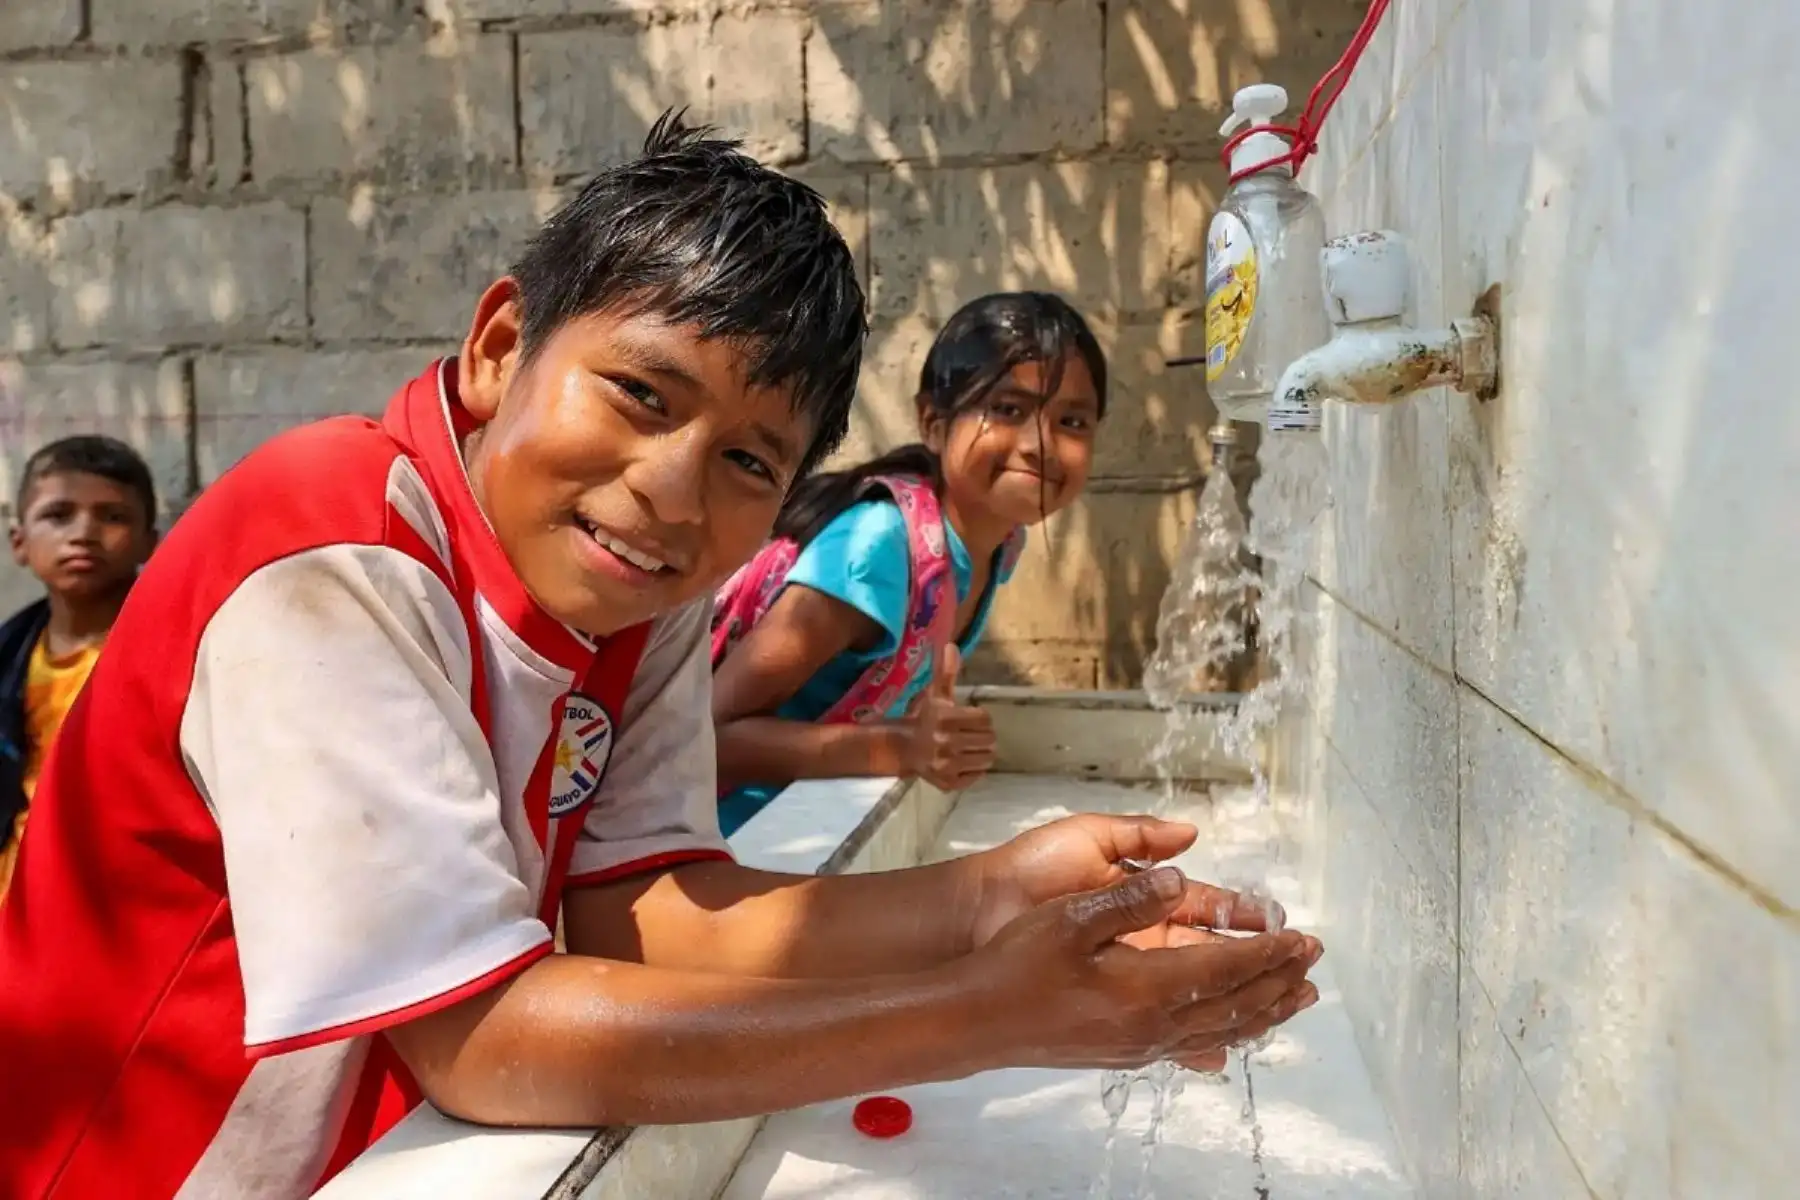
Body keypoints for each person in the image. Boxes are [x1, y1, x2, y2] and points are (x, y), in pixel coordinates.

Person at [0, 113, 1323, 1200]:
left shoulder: (641, 600)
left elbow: (640, 907)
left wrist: (990, 892)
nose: (673, 491)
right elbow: (484, 1040)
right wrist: (982, 1013)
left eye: (751, 461)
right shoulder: (334, 552)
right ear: (501, 347)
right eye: (640, 395)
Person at [711, 292, 1105, 835]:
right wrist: (901, 746)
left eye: (1073, 421)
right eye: (1008, 409)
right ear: (934, 422)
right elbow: (707, 735)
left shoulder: (1000, 543)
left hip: (800, 826)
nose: (1041, 444)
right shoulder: (879, 548)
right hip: (721, 834)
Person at [0, 435, 158, 904]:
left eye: (113, 517)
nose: (84, 533)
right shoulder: (9, 657)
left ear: (151, 541)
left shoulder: (174, 652)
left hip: (122, 908)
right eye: (58, 515)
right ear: (20, 543)